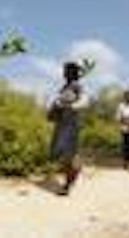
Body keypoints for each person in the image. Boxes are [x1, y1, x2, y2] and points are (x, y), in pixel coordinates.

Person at [48, 62, 88, 196]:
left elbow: (85, 101)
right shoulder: (65, 87)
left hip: (72, 125)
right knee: (59, 153)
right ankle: (75, 170)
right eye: (64, 70)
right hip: (61, 124)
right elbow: (59, 103)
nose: (64, 73)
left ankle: (67, 185)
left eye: (66, 71)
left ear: (73, 72)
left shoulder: (77, 86)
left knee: (68, 156)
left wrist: (72, 106)